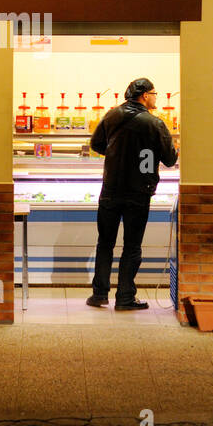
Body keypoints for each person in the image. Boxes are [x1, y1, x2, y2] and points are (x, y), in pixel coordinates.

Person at [86, 78, 177, 310]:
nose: (156, 97)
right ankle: (125, 297)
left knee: (104, 243)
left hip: (110, 190)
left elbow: (96, 144)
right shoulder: (155, 123)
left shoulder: (111, 115)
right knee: (132, 245)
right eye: (155, 93)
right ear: (145, 95)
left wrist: (117, 154)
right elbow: (170, 159)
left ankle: (99, 295)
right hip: (139, 192)